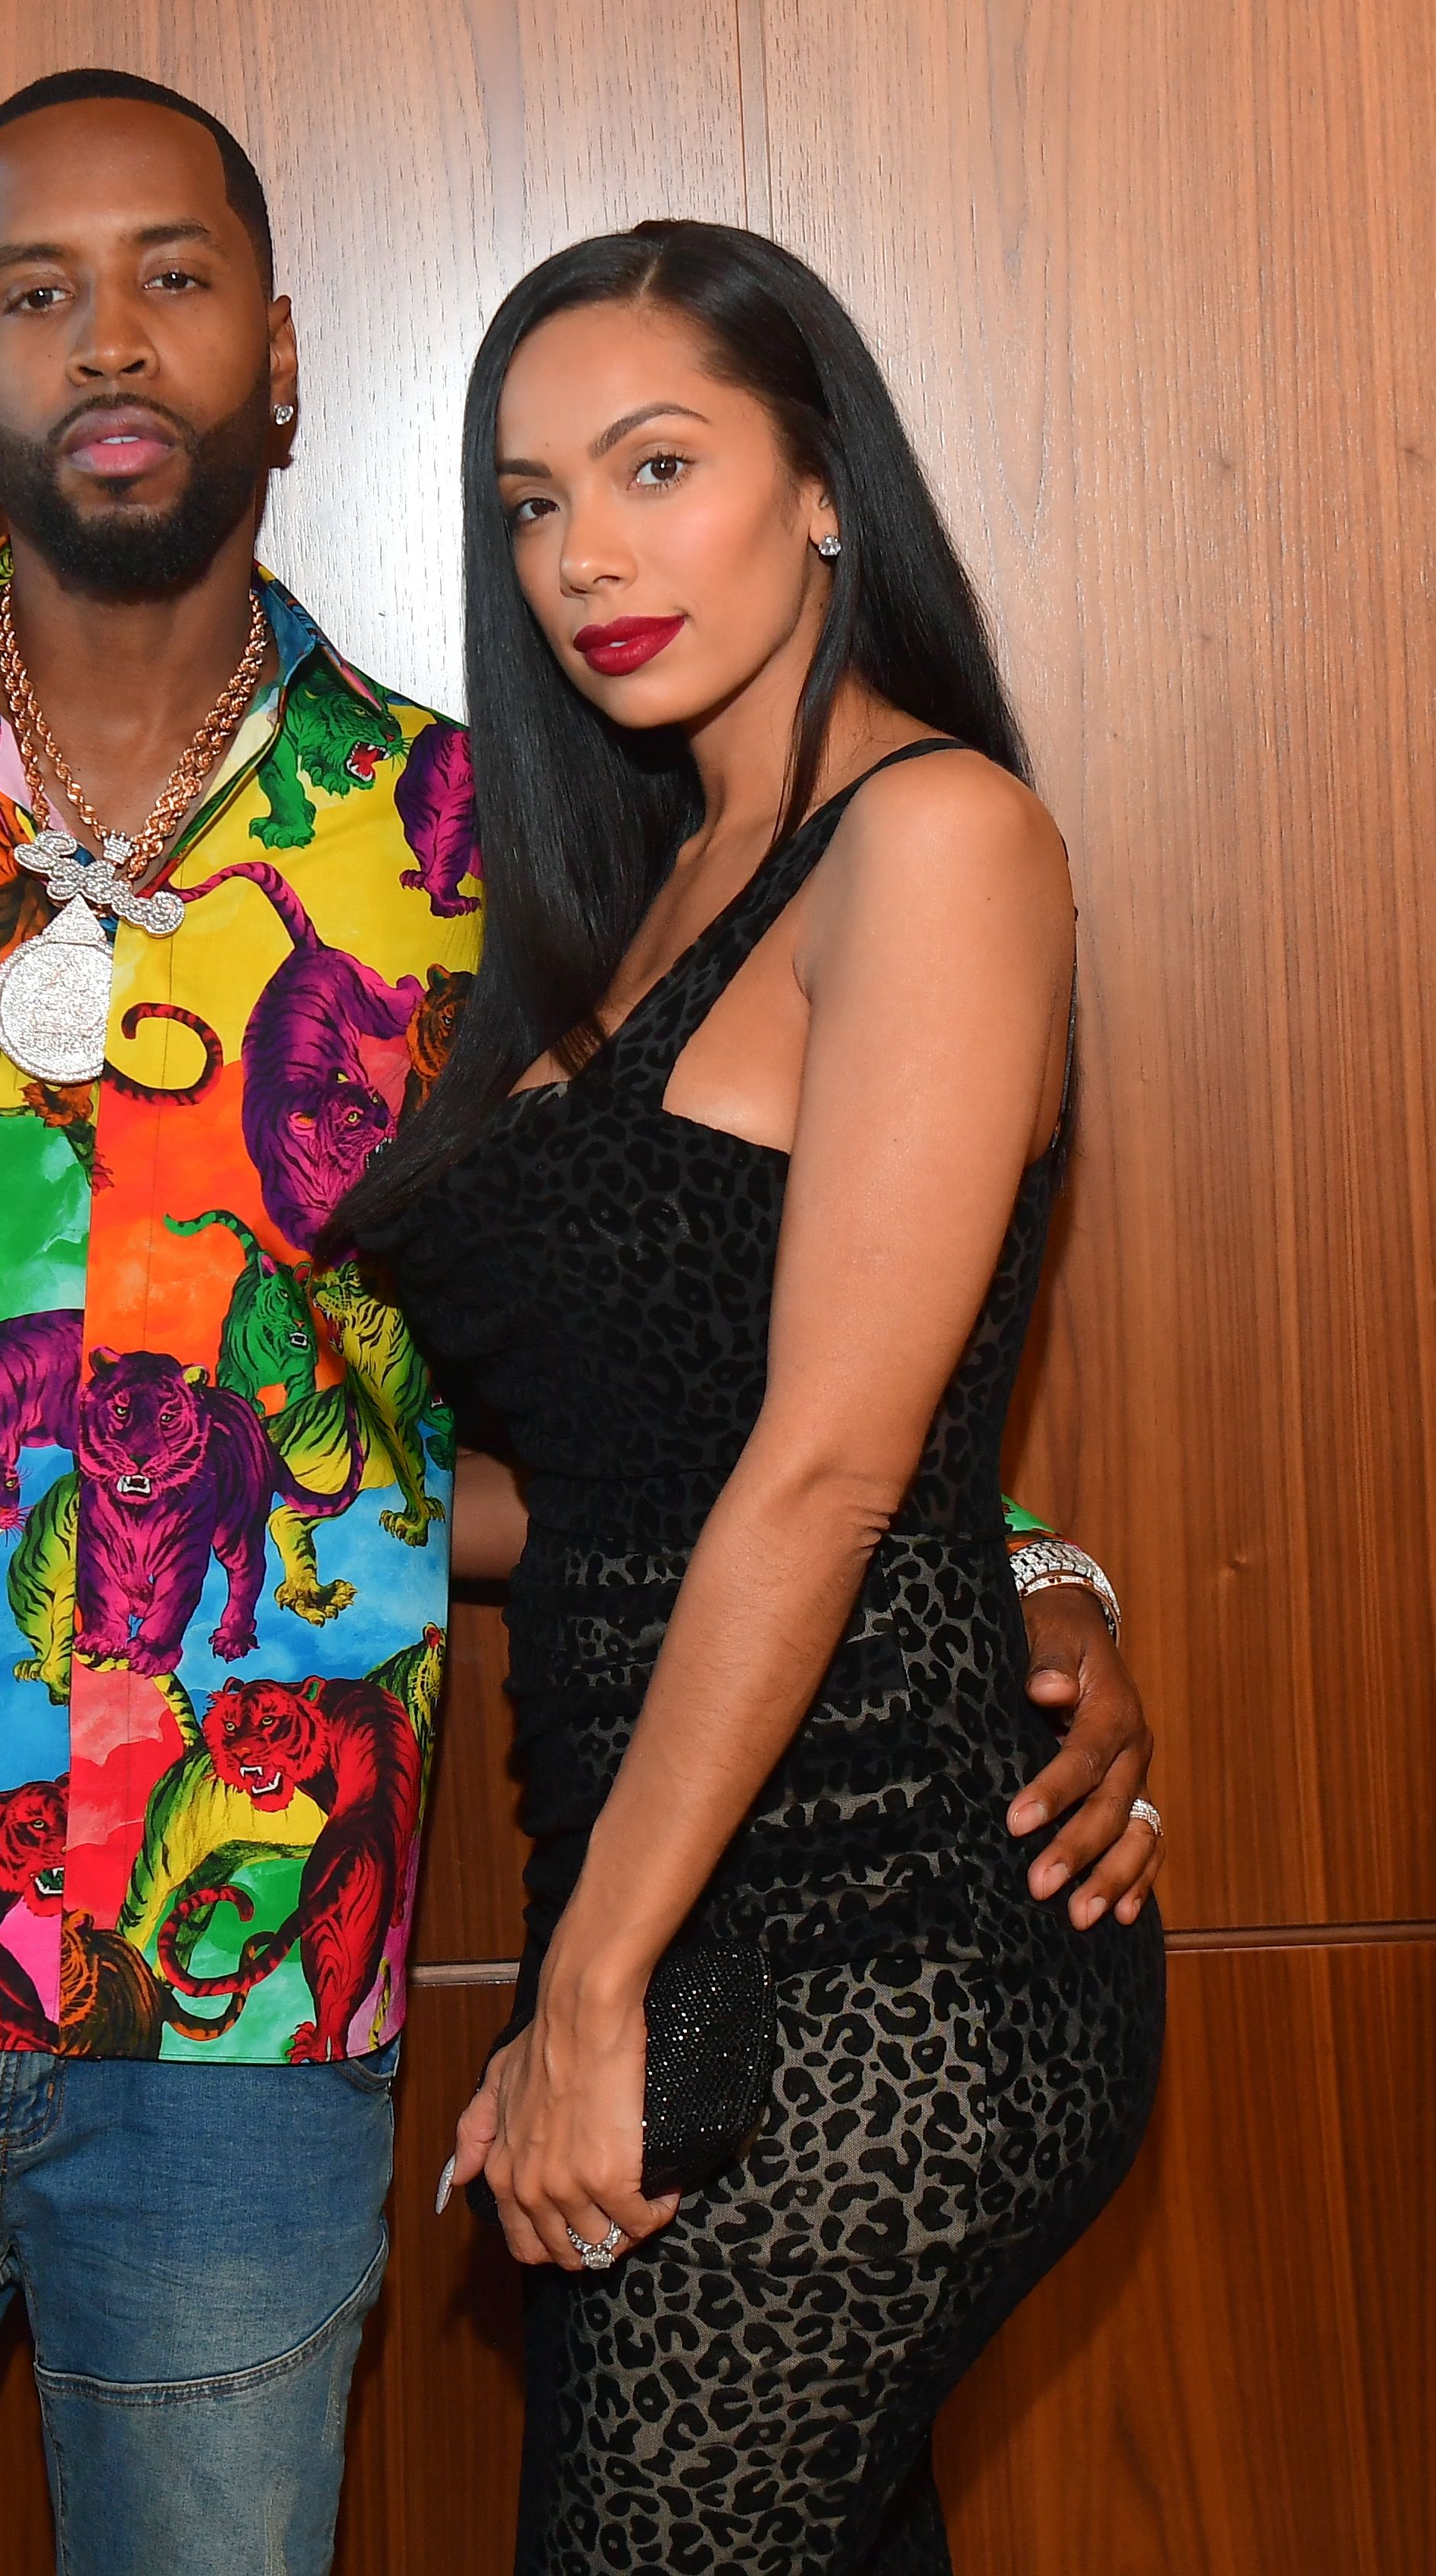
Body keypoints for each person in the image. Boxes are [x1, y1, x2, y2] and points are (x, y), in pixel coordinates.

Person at [0, 72, 1160, 2576]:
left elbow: (682, 1324)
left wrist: (1017, 1565)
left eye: (173, 276)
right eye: (33, 296)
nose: (108, 340)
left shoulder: (487, 853)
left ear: (281, 356)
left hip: (253, 1993)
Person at [351, 222, 1168, 2573]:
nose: (583, 553)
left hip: (883, 1931)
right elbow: (624, 1485)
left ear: (823, 487)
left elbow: (827, 1469)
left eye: (653, 464)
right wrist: (304, 1521)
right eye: (528, 501)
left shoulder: (932, 836)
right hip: (688, 1896)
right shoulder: (634, 878)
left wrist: (582, 1992)